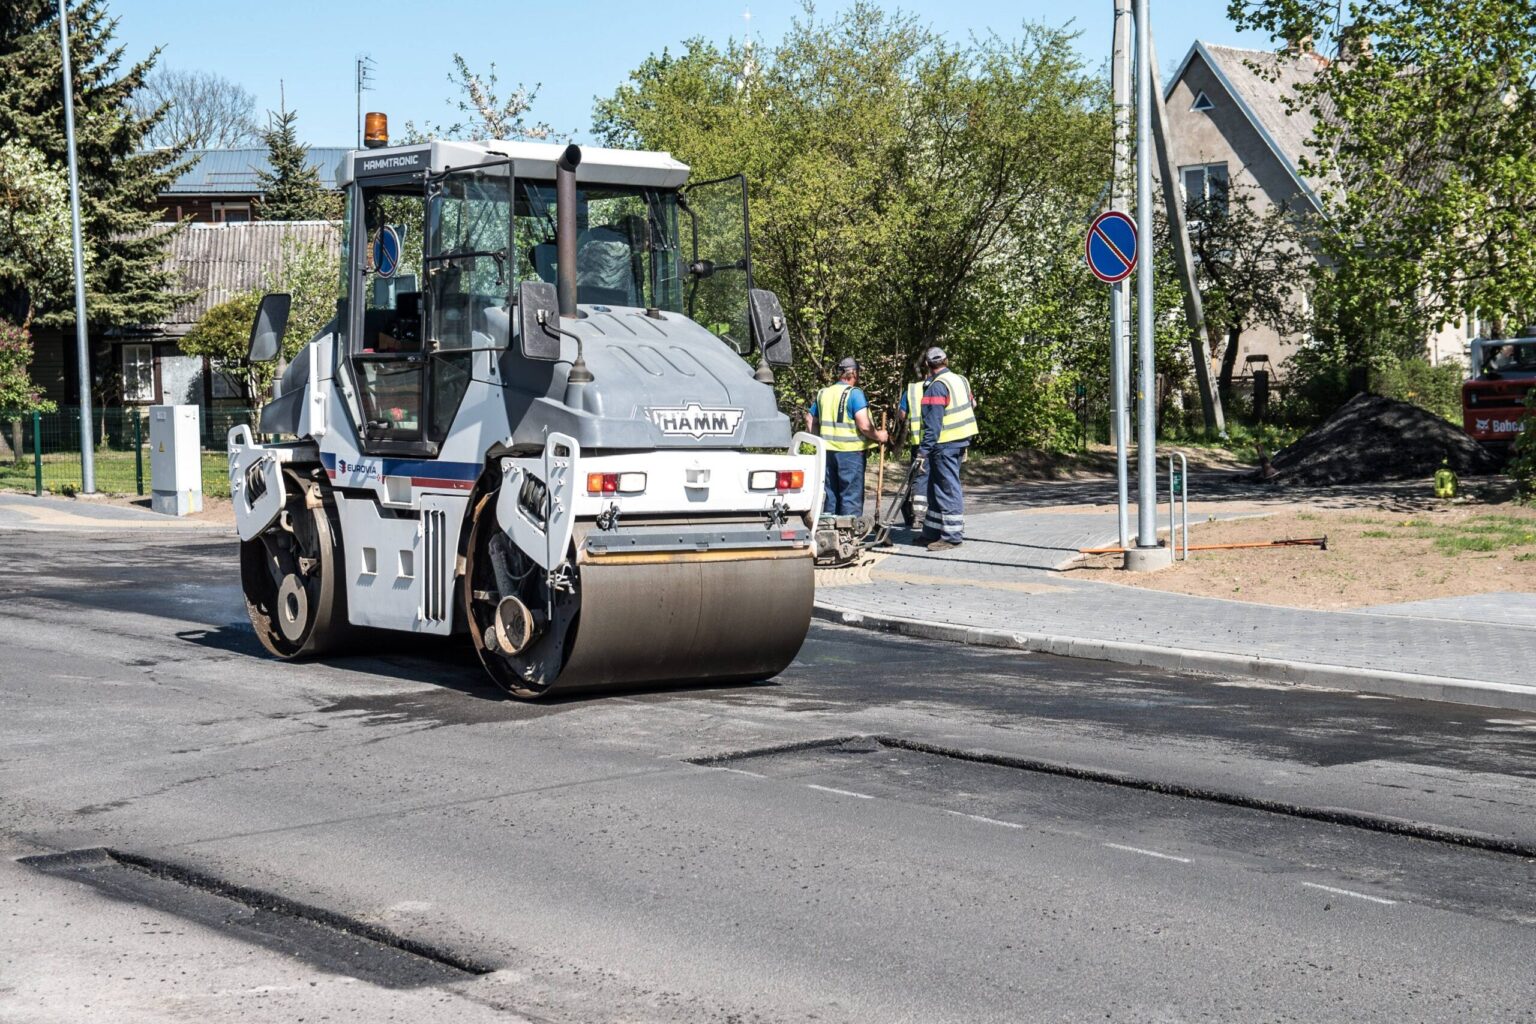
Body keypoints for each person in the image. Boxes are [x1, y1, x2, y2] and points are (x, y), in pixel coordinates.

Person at [806, 357, 888, 516]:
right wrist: (879, 436)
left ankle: (830, 528)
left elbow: (809, 419)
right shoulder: (854, 394)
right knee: (850, 497)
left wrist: (818, 442)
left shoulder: (824, 393)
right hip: (850, 454)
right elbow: (864, 425)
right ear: (854, 373)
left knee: (831, 496)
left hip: (827, 453)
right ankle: (848, 530)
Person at [915, 347, 978, 550]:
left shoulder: (937, 386)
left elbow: (933, 424)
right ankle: (931, 532)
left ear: (927, 364)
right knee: (936, 487)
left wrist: (923, 452)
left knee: (947, 488)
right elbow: (972, 404)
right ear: (946, 360)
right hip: (959, 440)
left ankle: (952, 536)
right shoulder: (961, 380)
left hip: (945, 444)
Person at [894, 370, 929, 529]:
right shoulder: (943, 385)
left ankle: (914, 515)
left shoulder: (912, 390)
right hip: (939, 442)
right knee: (932, 478)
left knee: (918, 477)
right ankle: (923, 516)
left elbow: (902, 414)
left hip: (918, 441)